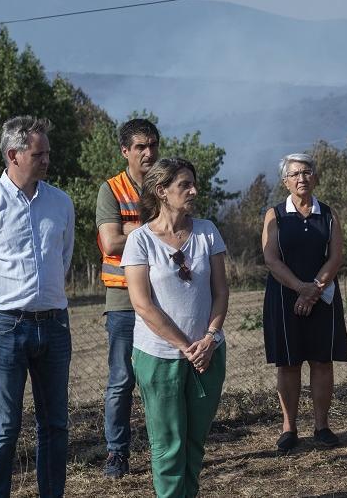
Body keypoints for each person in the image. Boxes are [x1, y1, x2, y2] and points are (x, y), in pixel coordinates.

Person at [0, 116, 75, 498]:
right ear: (13, 155)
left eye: (48, 153)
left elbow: (63, 256)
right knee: (4, 427)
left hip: (54, 324)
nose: (46, 161)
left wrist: (44, 297)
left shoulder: (61, 202)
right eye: (38, 154)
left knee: (55, 424)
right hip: (4, 327)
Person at [122, 157, 229, 497]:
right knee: (168, 445)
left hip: (208, 355)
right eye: (185, 185)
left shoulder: (207, 231)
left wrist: (209, 338)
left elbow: (221, 291)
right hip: (160, 357)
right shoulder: (140, 241)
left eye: (193, 183)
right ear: (161, 191)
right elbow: (143, 305)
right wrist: (187, 347)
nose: (194, 190)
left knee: (195, 442)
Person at [261, 153, 347, 451]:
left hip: (322, 298)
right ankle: (289, 429)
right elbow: (271, 258)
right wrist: (300, 288)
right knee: (288, 363)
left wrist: (314, 289)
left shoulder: (328, 214)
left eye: (307, 172)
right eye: (295, 173)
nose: (302, 178)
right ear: (285, 180)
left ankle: (322, 427)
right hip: (284, 297)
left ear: (315, 176)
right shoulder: (275, 214)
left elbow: (335, 256)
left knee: (322, 361)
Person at [95, 118, 160, 477]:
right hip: (122, 300)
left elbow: (179, 230)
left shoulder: (163, 184)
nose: (148, 152)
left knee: (158, 378)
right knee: (122, 380)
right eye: (140, 147)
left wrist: (132, 229)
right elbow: (110, 242)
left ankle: (160, 448)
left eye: (152, 145)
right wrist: (152, 229)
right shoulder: (112, 189)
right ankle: (117, 453)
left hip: (161, 297)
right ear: (125, 151)